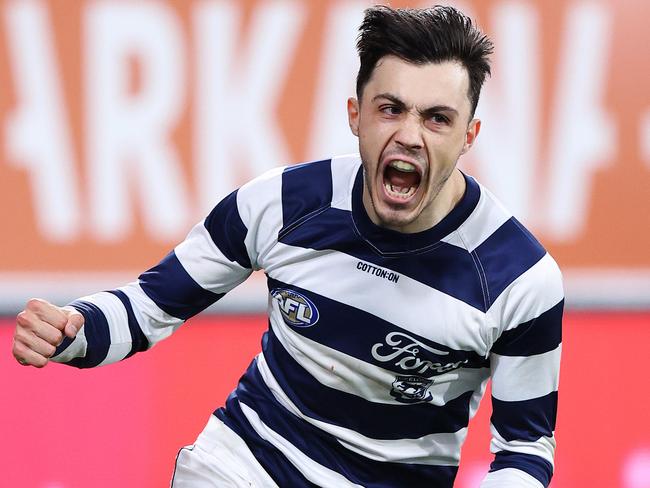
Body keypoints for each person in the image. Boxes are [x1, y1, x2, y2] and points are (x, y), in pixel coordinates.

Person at [12, 5, 563, 488]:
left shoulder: (520, 280)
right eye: (390, 108)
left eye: (436, 118)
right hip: (245, 465)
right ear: (356, 115)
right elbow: (150, 307)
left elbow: (524, 449)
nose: (410, 135)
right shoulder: (281, 204)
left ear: (469, 135)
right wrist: (74, 331)